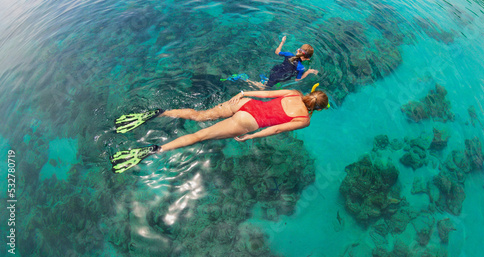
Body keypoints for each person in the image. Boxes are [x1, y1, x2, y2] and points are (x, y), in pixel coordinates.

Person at [111, 88, 329, 173]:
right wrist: (250, 136)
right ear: (316, 108)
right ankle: (155, 149)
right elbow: (277, 130)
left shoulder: (293, 92)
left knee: (200, 116)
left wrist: (243, 93)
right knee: (199, 136)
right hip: (249, 120)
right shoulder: (304, 120)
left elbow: (265, 94)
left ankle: (160, 112)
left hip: (245, 103)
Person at [247, 35, 319, 89]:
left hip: (275, 69)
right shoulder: (301, 68)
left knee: (268, 80)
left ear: (298, 51)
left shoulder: (289, 54)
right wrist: (308, 72)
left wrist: (282, 42)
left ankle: (262, 81)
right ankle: (246, 80)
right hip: (280, 77)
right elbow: (297, 79)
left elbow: (277, 51)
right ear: (307, 59)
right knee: (263, 88)